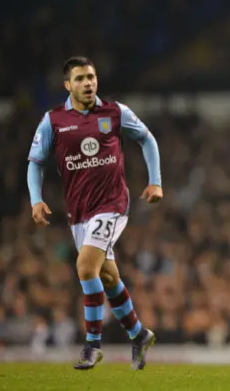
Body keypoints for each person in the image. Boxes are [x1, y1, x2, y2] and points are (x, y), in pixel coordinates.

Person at [27, 56, 163, 370]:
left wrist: (155, 182)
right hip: (79, 213)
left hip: (113, 204)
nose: (87, 83)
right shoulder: (54, 120)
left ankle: (92, 346)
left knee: (86, 267)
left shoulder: (115, 112)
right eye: (80, 78)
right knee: (107, 276)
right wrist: (36, 199)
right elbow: (35, 162)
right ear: (67, 85)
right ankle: (138, 334)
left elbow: (147, 139)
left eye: (91, 77)